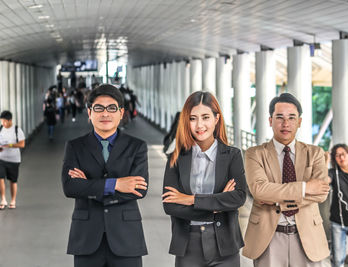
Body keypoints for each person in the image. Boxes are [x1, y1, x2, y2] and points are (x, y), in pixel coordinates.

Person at [62, 84, 149, 267]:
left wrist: (89, 186)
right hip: (86, 238)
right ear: (89, 112)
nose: (105, 114)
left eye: (111, 108)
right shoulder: (75, 146)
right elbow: (70, 187)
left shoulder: (137, 146)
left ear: (121, 112)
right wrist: (116, 184)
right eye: (99, 108)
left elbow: (139, 190)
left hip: (126, 238)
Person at [243, 93, 330, 266]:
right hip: (268, 238)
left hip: (307, 238)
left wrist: (275, 199)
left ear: (299, 122)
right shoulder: (255, 154)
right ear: (270, 120)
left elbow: (321, 194)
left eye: (292, 118)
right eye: (279, 117)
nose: (286, 124)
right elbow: (259, 191)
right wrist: (305, 188)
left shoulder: (315, 153)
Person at [162, 91, 246, 267]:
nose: (199, 125)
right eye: (193, 118)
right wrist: (215, 208)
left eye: (205, 117)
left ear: (217, 119)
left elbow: (238, 197)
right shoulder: (175, 159)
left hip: (225, 246)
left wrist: (190, 199)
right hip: (187, 246)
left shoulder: (232, 155)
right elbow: (170, 205)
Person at [0, 111, 25, 210]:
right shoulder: (0, 129)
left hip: (14, 159)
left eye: (4, 121)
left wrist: (9, 145)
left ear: (10, 120)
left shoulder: (17, 130)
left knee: (13, 181)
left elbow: (22, 144)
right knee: (0, 178)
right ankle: (3, 199)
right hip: (1, 158)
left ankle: (13, 200)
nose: (3, 123)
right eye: (1, 121)